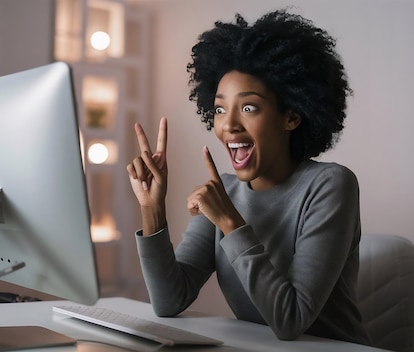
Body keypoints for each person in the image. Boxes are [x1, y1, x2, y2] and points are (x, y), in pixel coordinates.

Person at [126, 9, 371, 345]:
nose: (228, 125)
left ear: (291, 117)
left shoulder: (330, 186)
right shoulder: (224, 191)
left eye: (249, 107)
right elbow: (170, 301)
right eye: (220, 109)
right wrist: (152, 209)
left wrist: (229, 221)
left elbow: (290, 320)